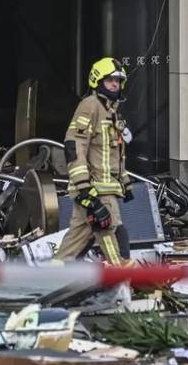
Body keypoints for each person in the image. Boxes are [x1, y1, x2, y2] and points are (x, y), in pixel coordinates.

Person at [54, 57, 134, 265]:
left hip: (104, 187)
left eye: (118, 80)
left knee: (75, 242)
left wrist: (125, 182)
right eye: (109, 80)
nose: (115, 84)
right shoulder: (90, 105)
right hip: (96, 189)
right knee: (113, 234)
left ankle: (54, 275)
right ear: (97, 81)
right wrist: (84, 187)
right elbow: (74, 145)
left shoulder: (111, 111)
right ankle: (121, 274)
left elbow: (113, 153)